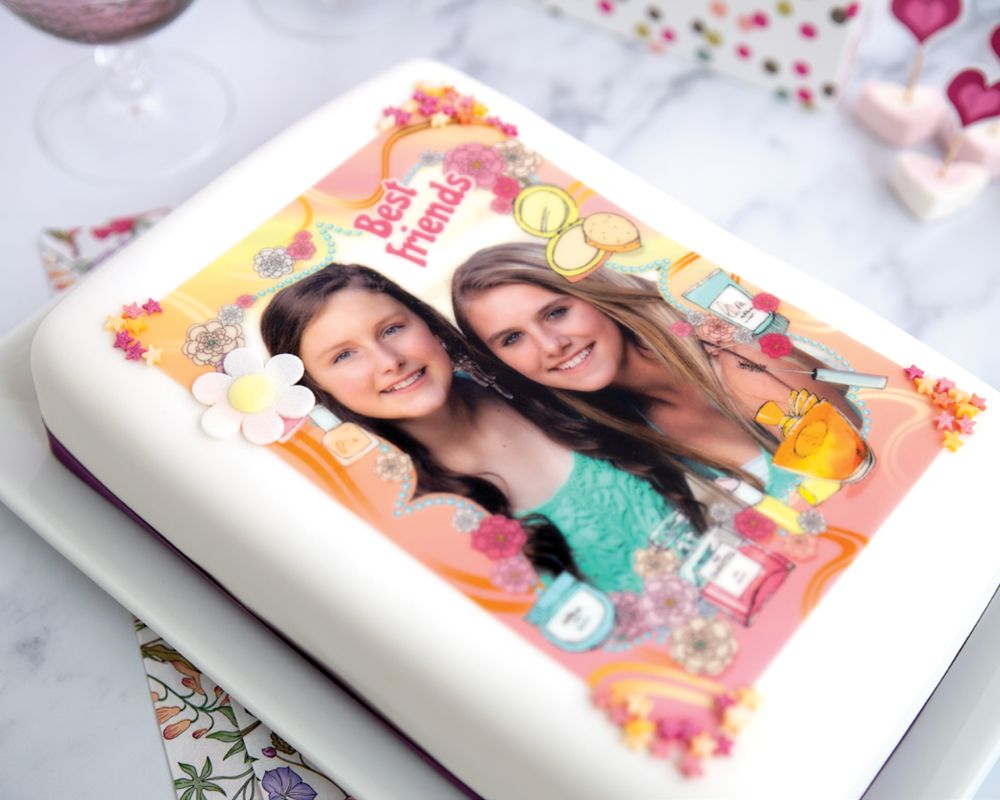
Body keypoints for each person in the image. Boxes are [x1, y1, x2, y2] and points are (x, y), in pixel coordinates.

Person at [260, 263, 710, 594]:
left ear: (427, 323)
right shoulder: (393, 510)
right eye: (343, 356)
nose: (389, 361)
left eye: (392, 329)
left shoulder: (531, 369)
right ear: (315, 388)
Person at [451, 242, 863, 498]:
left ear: (595, 294)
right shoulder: (617, 434)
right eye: (512, 339)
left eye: (556, 312)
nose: (551, 346)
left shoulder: (733, 355)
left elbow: (856, 474)